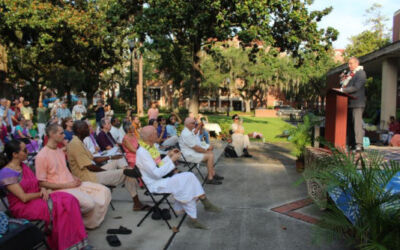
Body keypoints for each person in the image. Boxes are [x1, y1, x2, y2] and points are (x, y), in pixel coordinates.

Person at [0, 140, 90, 249]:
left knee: (70, 199)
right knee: (61, 207)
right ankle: (68, 244)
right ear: (15, 154)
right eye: (24, 150)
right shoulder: (6, 173)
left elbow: (37, 182)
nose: (27, 152)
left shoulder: (23, 165)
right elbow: (23, 198)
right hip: (24, 206)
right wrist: (43, 193)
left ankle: (76, 241)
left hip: (38, 198)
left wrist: (43, 188)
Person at [137, 126, 221, 229]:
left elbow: (159, 165)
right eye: (155, 133)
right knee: (187, 182)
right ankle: (200, 209)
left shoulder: (151, 147)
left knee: (189, 177)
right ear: (149, 137)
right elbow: (156, 173)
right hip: (155, 184)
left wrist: (169, 156)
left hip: (161, 179)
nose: (158, 134)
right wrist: (172, 160)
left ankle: (202, 207)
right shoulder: (143, 152)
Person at [35, 124, 111, 229]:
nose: (64, 136)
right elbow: (41, 182)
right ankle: (75, 220)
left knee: (105, 191)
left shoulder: (59, 151)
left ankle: (88, 223)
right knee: (89, 204)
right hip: (59, 189)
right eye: (61, 133)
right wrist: (67, 184)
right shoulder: (41, 156)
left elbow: (64, 170)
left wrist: (74, 178)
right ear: (52, 135)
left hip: (73, 184)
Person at [67, 120, 149, 211]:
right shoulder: (75, 144)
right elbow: (90, 166)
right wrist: (107, 172)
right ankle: (136, 201)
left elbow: (94, 158)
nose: (90, 129)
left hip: (92, 171)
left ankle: (126, 172)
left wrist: (111, 157)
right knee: (128, 173)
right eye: (86, 127)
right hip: (88, 176)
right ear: (79, 130)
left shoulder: (79, 141)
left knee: (119, 160)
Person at [179, 117, 224, 185]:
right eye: (193, 123)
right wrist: (206, 150)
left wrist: (200, 126)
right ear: (187, 124)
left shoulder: (189, 130)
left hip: (192, 151)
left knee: (210, 153)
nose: (195, 124)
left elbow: (196, 133)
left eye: (195, 123)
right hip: (188, 155)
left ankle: (212, 174)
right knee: (210, 155)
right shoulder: (186, 134)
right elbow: (196, 148)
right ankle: (210, 178)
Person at [340, 57, 367, 152]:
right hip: (348, 103)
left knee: (357, 124)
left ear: (356, 63)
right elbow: (344, 84)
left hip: (357, 103)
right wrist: (342, 80)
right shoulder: (350, 74)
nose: (349, 65)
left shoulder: (361, 73)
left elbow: (356, 87)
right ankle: (351, 144)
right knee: (350, 125)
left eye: (351, 63)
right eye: (348, 64)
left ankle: (359, 145)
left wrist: (343, 90)